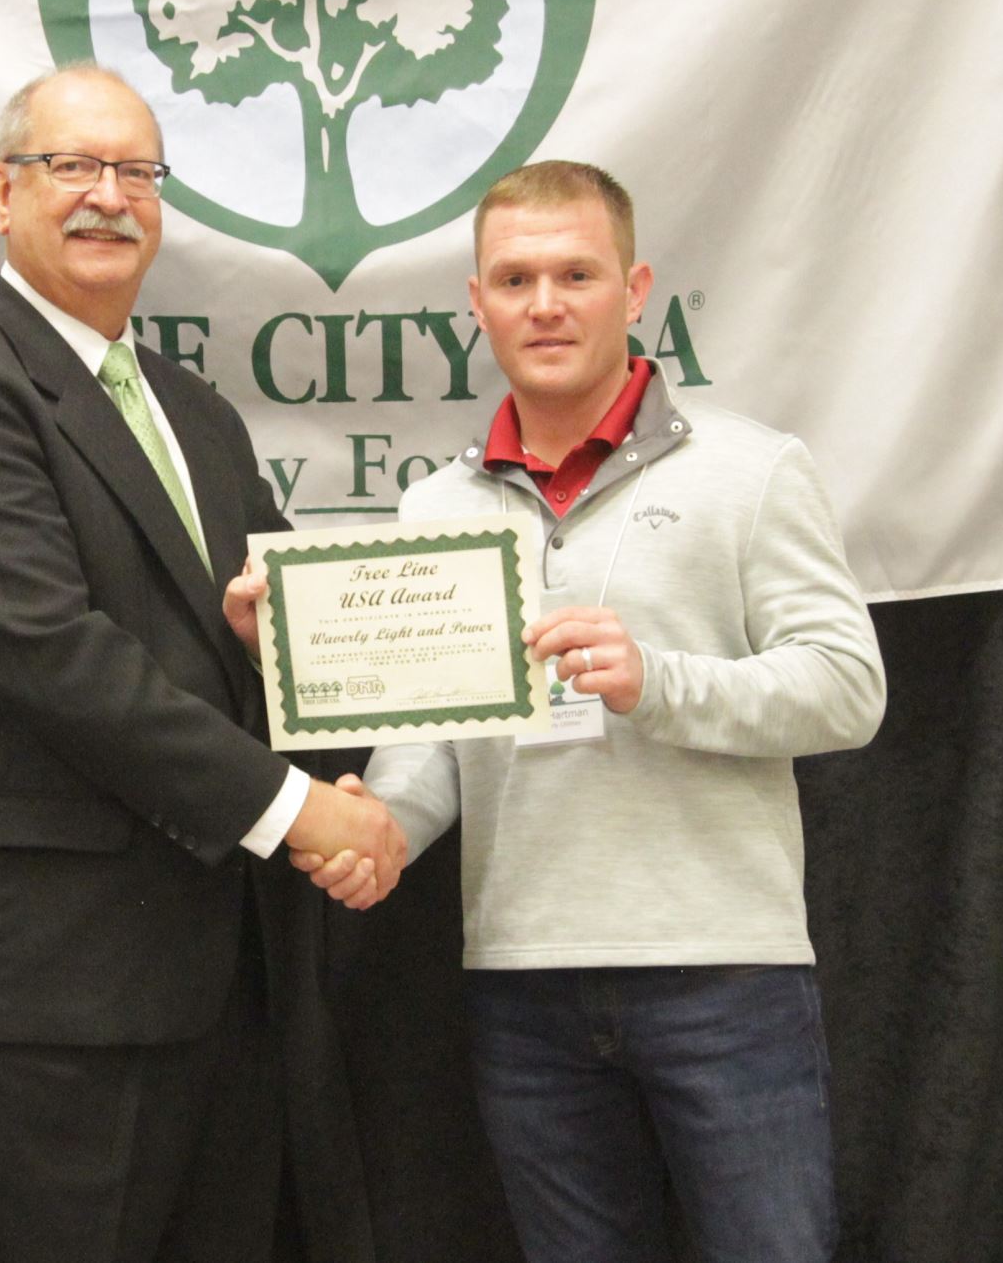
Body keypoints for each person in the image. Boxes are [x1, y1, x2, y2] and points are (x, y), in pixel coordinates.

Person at [0, 63, 398, 1263]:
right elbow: (57, 659)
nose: (110, 196)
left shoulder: (193, 409)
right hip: (50, 997)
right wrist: (299, 809)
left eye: (138, 173)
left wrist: (324, 730)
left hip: (226, 983)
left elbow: (279, 632)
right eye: (75, 167)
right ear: (4, 193)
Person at [303, 160, 885, 1262]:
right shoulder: (435, 506)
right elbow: (436, 737)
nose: (545, 303)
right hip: (519, 980)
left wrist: (657, 683)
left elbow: (848, 689)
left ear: (635, 286)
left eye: (576, 272)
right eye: (514, 278)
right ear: (474, 304)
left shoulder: (752, 471)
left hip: (724, 974)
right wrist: (375, 829)